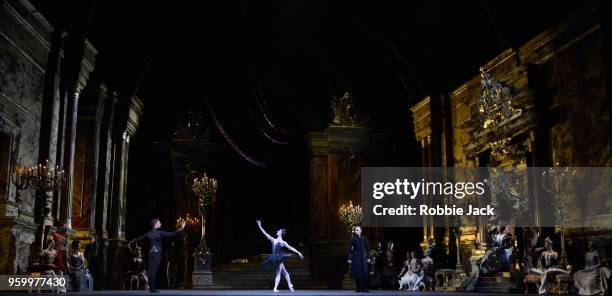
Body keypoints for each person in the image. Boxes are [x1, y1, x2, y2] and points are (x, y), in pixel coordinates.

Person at [132, 218, 185, 293]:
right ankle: (152, 289)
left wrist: (133, 241)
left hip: (150, 253)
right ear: (156, 224)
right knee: (153, 271)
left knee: (151, 271)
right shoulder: (160, 233)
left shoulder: (149, 233)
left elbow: (139, 239)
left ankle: (151, 288)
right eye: (159, 222)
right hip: (157, 253)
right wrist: (182, 228)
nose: (161, 224)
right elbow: (172, 234)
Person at [256, 219, 304, 292]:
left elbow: (291, 248)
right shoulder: (273, 240)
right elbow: (265, 233)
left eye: (278, 231)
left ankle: (275, 288)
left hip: (279, 258)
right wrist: (260, 225)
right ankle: (290, 285)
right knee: (284, 272)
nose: (277, 231)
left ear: (280, 233)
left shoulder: (283, 242)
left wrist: (298, 252)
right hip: (275, 257)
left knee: (278, 272)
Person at [347, 225, 371, 292]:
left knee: (364, 272)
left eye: (357, 230)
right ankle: (358, 288)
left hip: (363, 257)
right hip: (356, 257)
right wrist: (349, 258)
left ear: (361, 231)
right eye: (355, 230)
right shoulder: (352, 239)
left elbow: (368, 248)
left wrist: (368, 257)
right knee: (357, 272)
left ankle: (364, 288)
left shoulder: (364, 238)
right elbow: (348, 249)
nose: (356, 231)